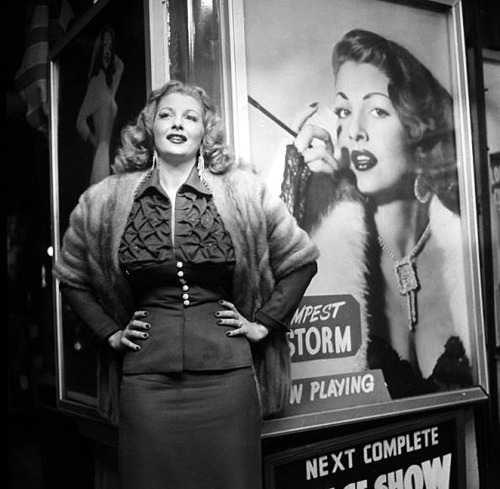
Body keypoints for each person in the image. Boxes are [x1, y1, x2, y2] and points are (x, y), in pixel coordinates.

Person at [54, 80, 318, 489]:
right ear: (149, 128)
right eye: (167, 115)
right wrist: (108, 333)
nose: (178, 124)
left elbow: (301, 261)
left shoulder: (244, 191)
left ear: (204, 131)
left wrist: (263, 323)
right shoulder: (107, 199)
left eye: (190, 117)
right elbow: (70, 276)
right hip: (145, 383)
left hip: (228, 380)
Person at [281, 29, 472, 398]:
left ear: (416, 127)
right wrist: (304, 185)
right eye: (343, 111)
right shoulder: (329, 249)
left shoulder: (467, 237)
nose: (355, 131)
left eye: (378, 110)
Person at [76, 24, 124, 185]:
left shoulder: (108, 88)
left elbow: (120, 67)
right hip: (101, 153)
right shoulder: (96, 83)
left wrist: (108, 49)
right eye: (104, 46)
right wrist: (96, 143)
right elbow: (80, 122)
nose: (108, 52)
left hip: (109, 154)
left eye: (110, 48)